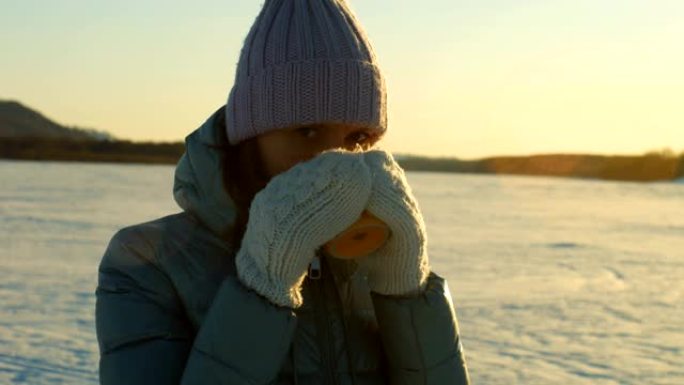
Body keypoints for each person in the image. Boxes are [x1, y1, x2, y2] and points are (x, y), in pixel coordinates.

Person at [95, 0, 470, 384]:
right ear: (250, 136)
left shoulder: (375, 259)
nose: (334, 160)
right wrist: (262, 286)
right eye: (307, 130)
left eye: (357, 138)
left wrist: (407, 294)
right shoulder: (148, 261)